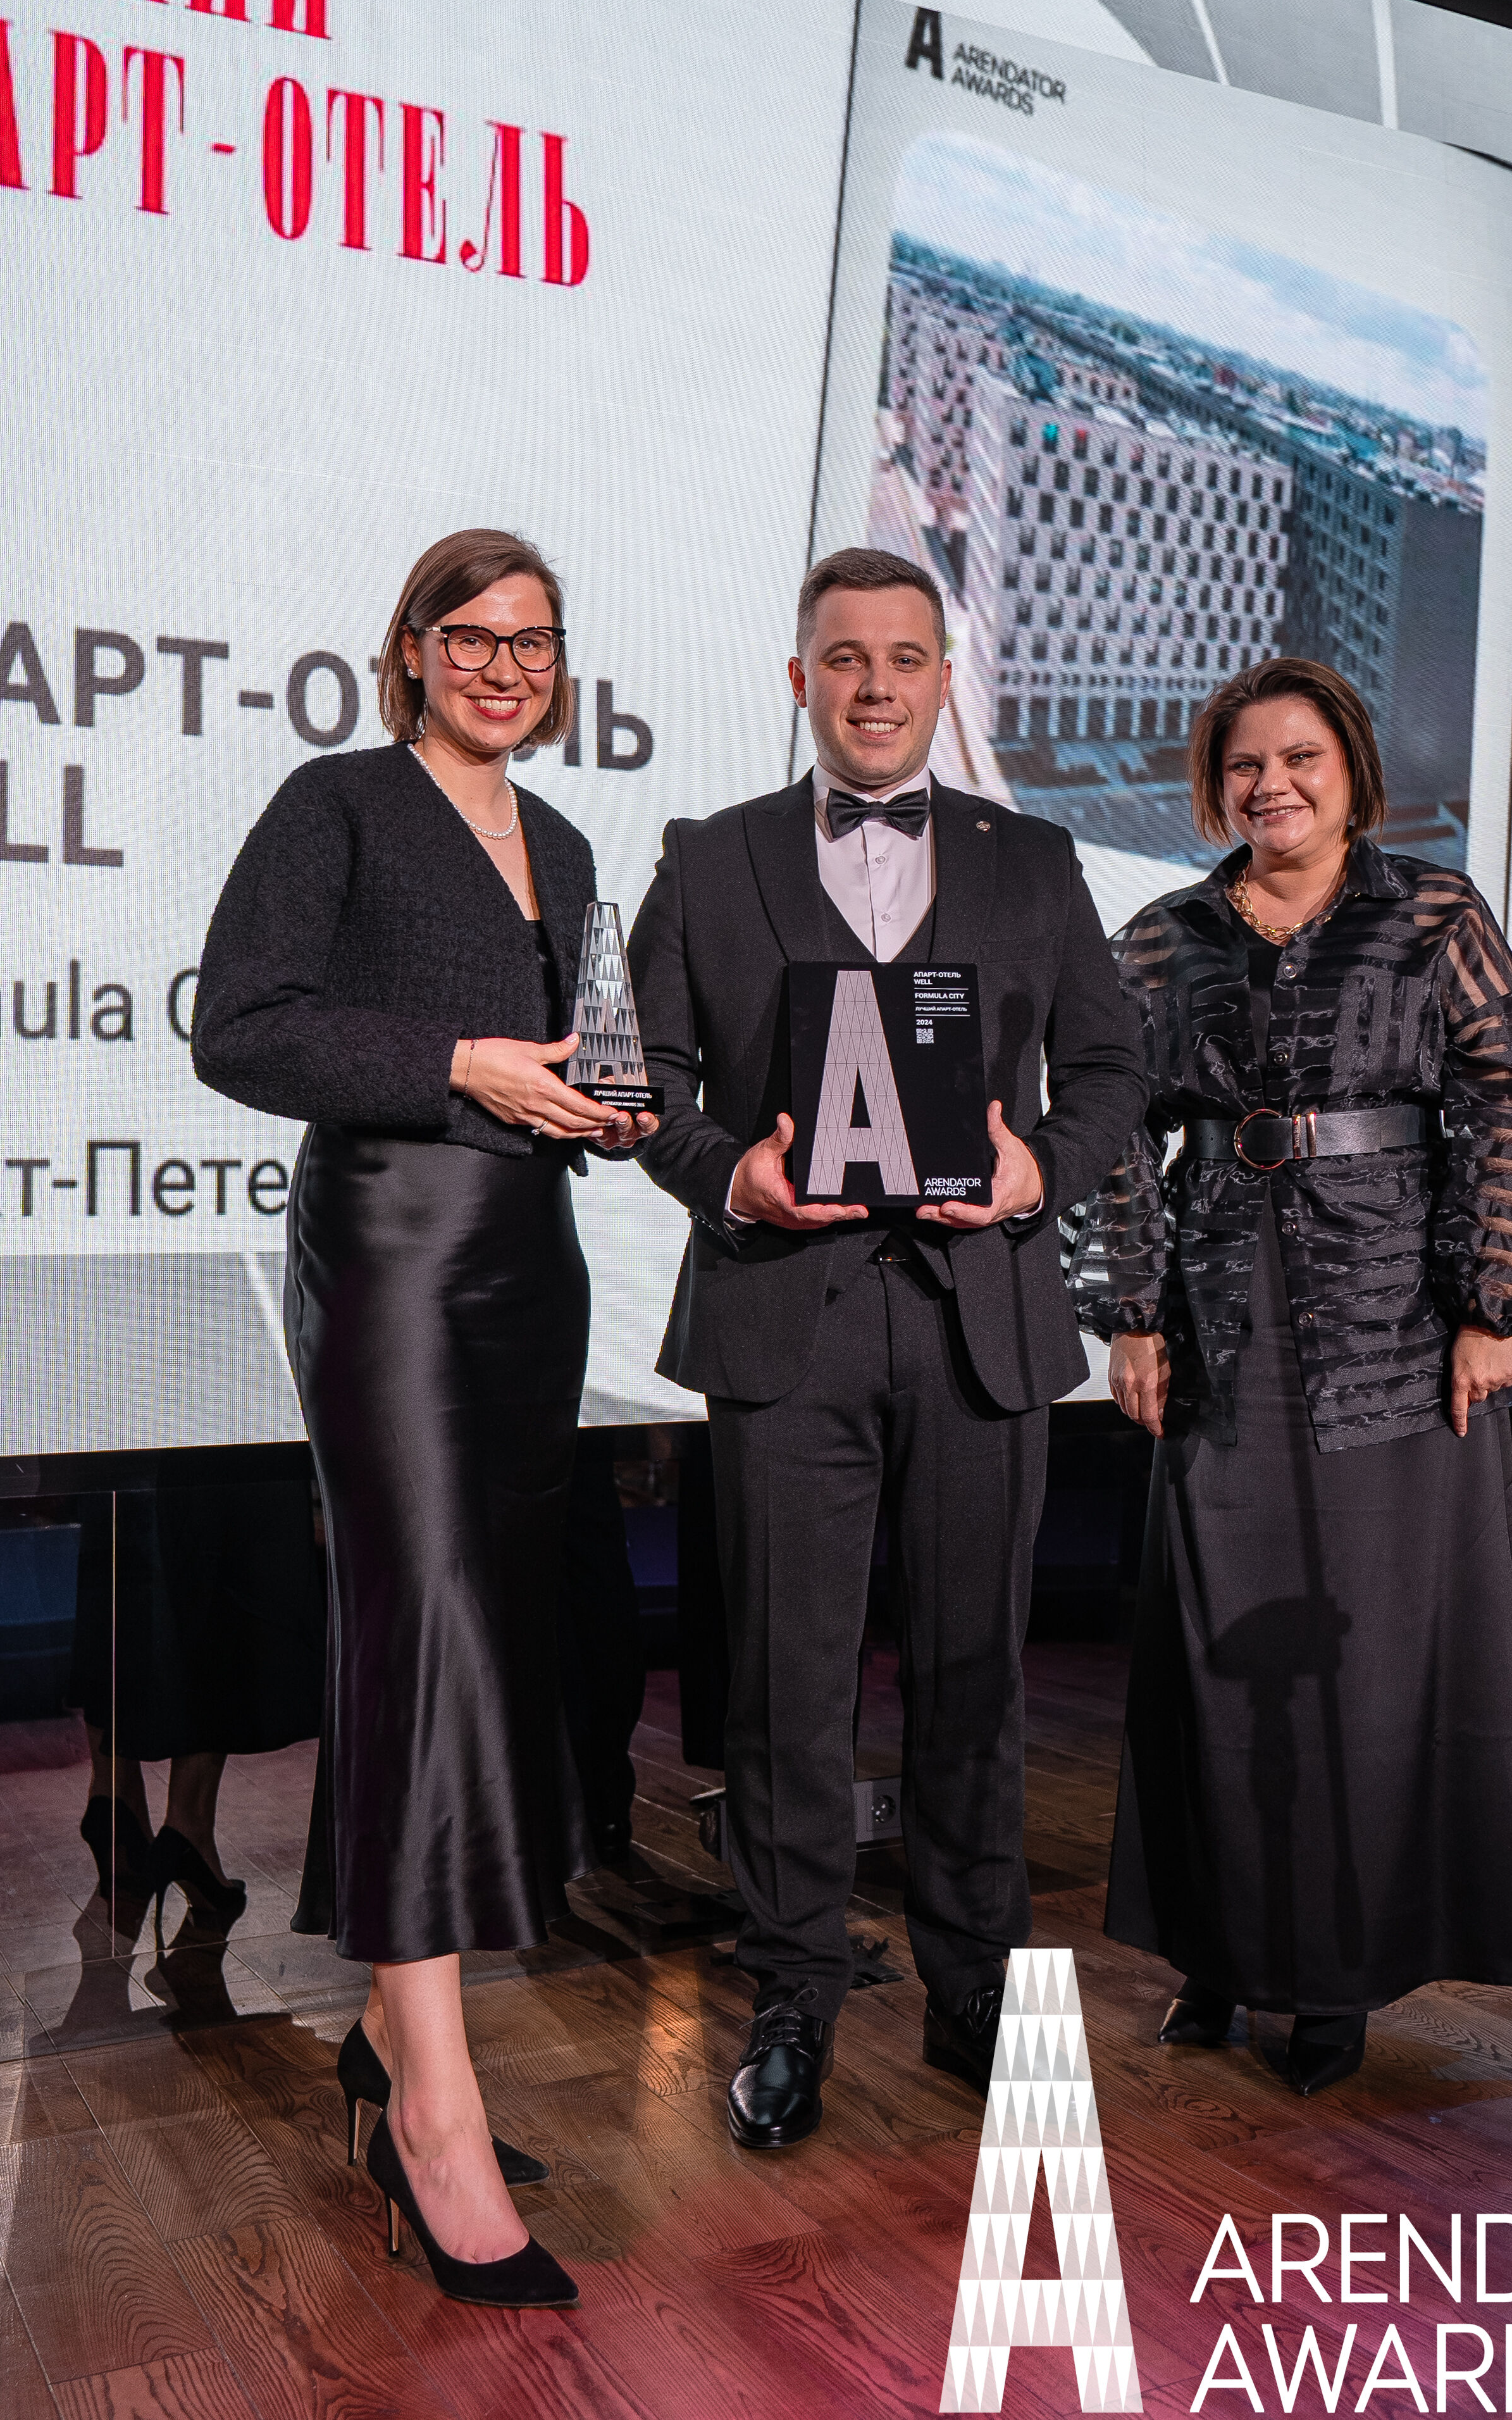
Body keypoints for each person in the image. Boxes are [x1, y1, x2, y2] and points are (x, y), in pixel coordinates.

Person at [626, 546, 1146, 2150]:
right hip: (785, 1318)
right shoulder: (708, 856)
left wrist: (1039, 1168)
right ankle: (792, 1993)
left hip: (981, 1316)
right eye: (842, 658)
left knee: (975, 1676)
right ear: (801, 680)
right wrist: (734, 1175)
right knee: (788, 1687)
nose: (873, 685)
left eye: (903, 658)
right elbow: (647, 1083)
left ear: (940, 678)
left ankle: (973, 1987)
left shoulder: (1032, 857)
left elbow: (1113, 1070)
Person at [193, 527, 655, 2307]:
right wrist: (462, 1063)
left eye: (531, 641)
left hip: (530, 1260)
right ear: (408, 648)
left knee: (469, 1645)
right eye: (470, 637)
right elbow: (241, 1030)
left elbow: (577, 1054)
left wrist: (609, 1105)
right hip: (387, 1256)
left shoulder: (571, 841)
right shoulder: (337, 803)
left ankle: (393, 2045)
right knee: (427, 1633)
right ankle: (438, 2117)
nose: (502, 667)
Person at [1069, 657, 1512, 2099]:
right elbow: (1108, 1126)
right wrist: (1130, 1313)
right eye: (1244, 764)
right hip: (1222, 1328)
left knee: (1374, 1658)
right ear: (1213, 787)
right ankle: (1221, 1950)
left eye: (1300, 757)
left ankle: (1342, 1970)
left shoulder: (1432, 915)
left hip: (1400, 1332)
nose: (1271, 785)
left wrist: (1495, 1305)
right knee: (1216, 1653)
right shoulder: (1163, 938)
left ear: (1351, 769)